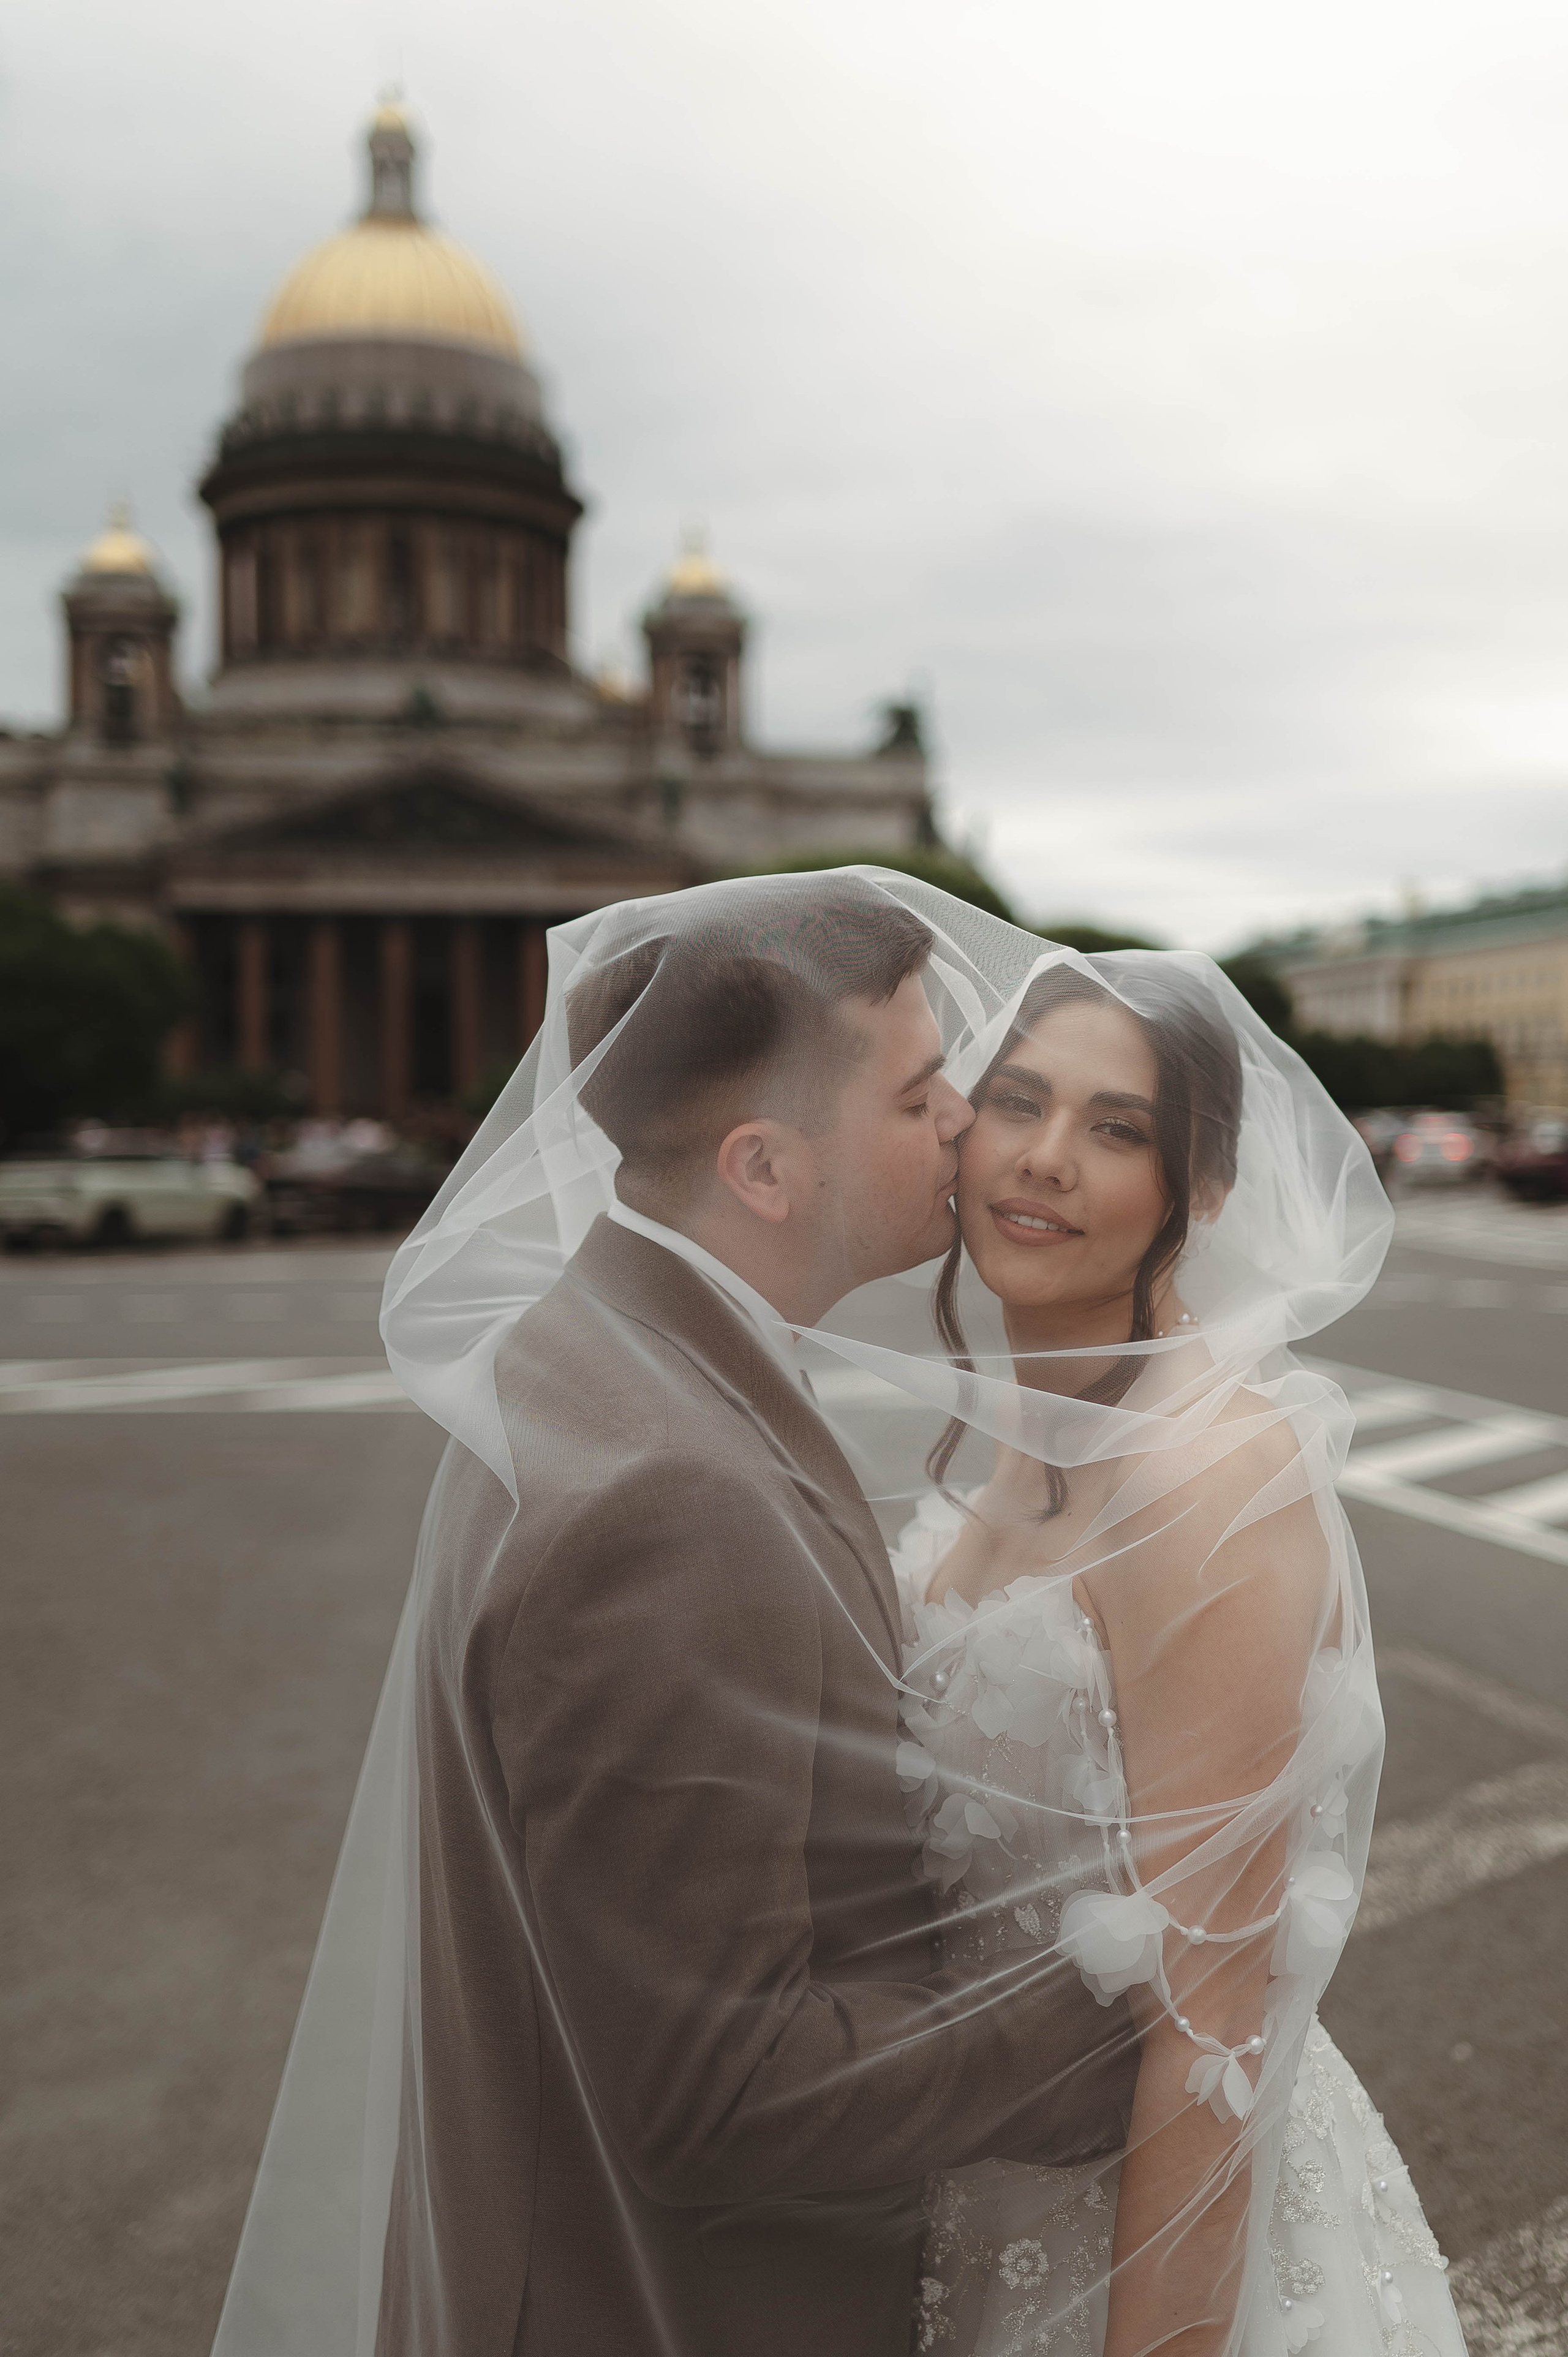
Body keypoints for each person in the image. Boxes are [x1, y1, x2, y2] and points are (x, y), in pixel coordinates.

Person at [891, 958, 1468, 2356]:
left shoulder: (1203, 1484)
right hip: (973, 2184)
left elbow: (1211, 2029)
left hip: (1148, 2232)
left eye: (1114, 1128)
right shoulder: (1020, 1443)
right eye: (1015, 1103)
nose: (1040, 1158)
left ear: (1199, 1193)